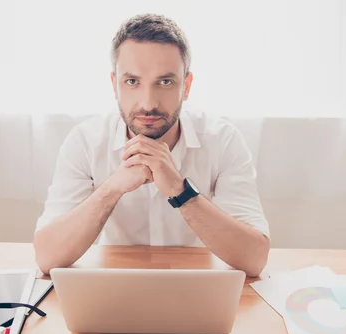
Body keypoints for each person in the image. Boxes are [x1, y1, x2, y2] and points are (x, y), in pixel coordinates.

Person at [34, 13, 270, 277]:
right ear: (115, 85)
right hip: (113, 288)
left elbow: (255, 259)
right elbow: (47, 257)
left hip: (195, 287)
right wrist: (112, 188)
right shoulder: (85, 142)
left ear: (187, 86)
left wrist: (181, 192)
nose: (148, 103)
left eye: (165, 82)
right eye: (132, 82)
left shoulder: (223, 140)